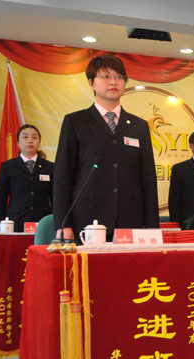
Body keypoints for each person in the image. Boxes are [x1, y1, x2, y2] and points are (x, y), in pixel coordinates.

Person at [53, 54, 159, 241]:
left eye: (119, 77)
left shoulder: (139, 126)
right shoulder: (75, 122)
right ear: (91, 83)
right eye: (105, 76)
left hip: (131, 220)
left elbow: (148, 180)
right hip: (87, 220)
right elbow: (63, 177)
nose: (113, 82)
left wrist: (152, 227)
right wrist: (63, 224)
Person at [0, 124, 54, 232]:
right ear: (18, 143)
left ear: (39, 142)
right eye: (25, 137)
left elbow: (55, 199)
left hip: (43, 224)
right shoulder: (8, 167)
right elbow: (0, 199)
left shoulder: (50, 167)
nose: (30, 141)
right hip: (15, 223)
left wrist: (54, 222)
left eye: (34, 137)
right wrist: (1, 225)